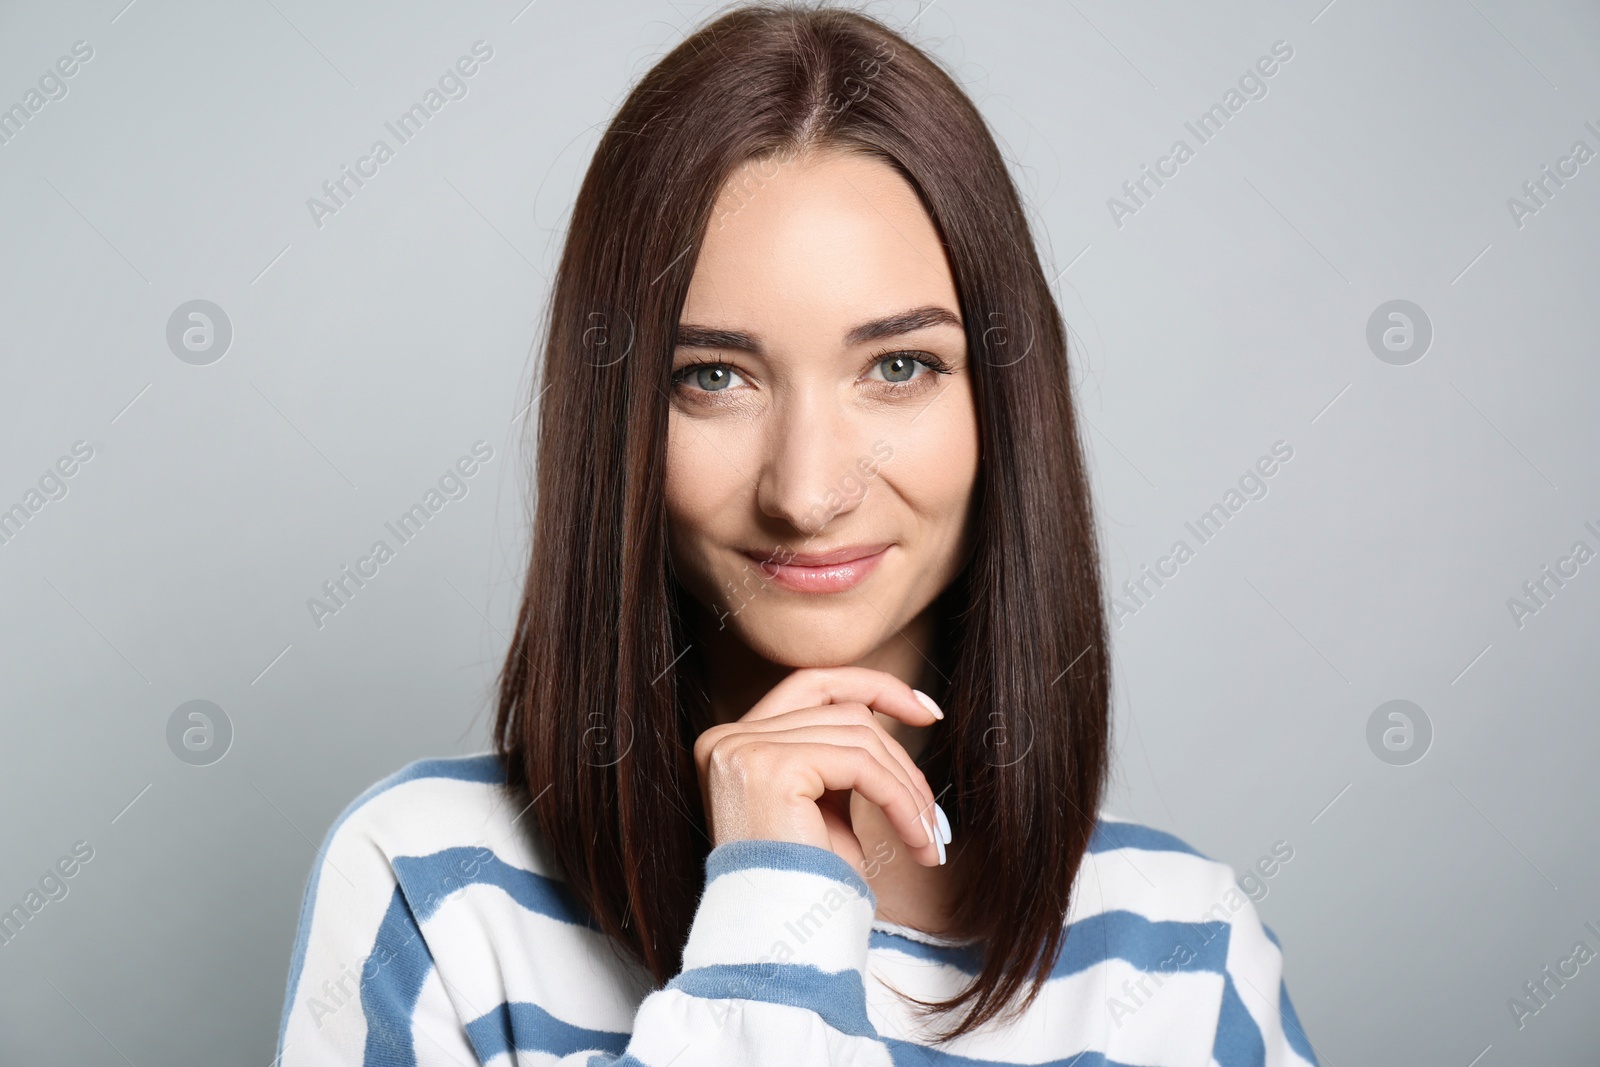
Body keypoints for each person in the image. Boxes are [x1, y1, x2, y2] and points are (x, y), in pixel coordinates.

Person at [276, 4, 1319, 1063]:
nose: (807, 490)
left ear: (1005, 404)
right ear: (619, 418)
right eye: (712, 377)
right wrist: (770, 925)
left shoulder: (1184, 956)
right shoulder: (434, 889)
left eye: (899, 365)